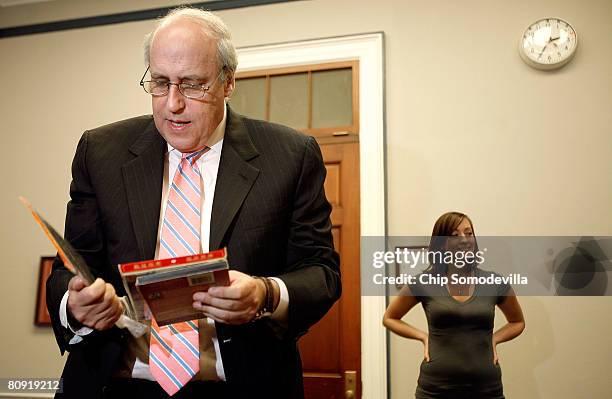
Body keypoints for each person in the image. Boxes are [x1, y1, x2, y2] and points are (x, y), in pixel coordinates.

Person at [45, 7, 340, 399]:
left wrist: (265, 293)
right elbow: (68, 267)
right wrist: (74, 302)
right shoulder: (100, 152)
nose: (173, 104)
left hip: (240, 385)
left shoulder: (289, 155)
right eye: (160, 83)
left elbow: (321, 272)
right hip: (114, 384)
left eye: (192, 84)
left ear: (228, 82)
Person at [383, 212, 525, 399]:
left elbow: (517, 322)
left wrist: (494, 339)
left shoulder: (494, 282)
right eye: (455, 235)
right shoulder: (424, 282)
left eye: (469, 233)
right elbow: (390, 318)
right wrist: (424, 337)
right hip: (435, 390)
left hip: (486, 390)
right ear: (442, 243)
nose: (464, 240)